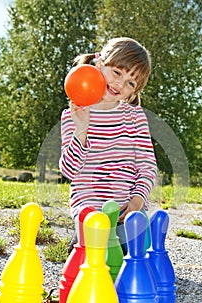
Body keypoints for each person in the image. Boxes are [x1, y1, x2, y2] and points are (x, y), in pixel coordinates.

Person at [59, 37, 157, 254]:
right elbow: (69, 170)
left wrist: (136, 201)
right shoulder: (72, 115)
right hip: (90, 212)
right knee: (92, 256)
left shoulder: (135, 117)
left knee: (130, 254)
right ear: (99, 64)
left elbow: (147, 167)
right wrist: (81, 131)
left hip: (126, 211)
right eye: (117, 73)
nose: (120, 84)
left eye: (130, 83)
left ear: (134, 92)